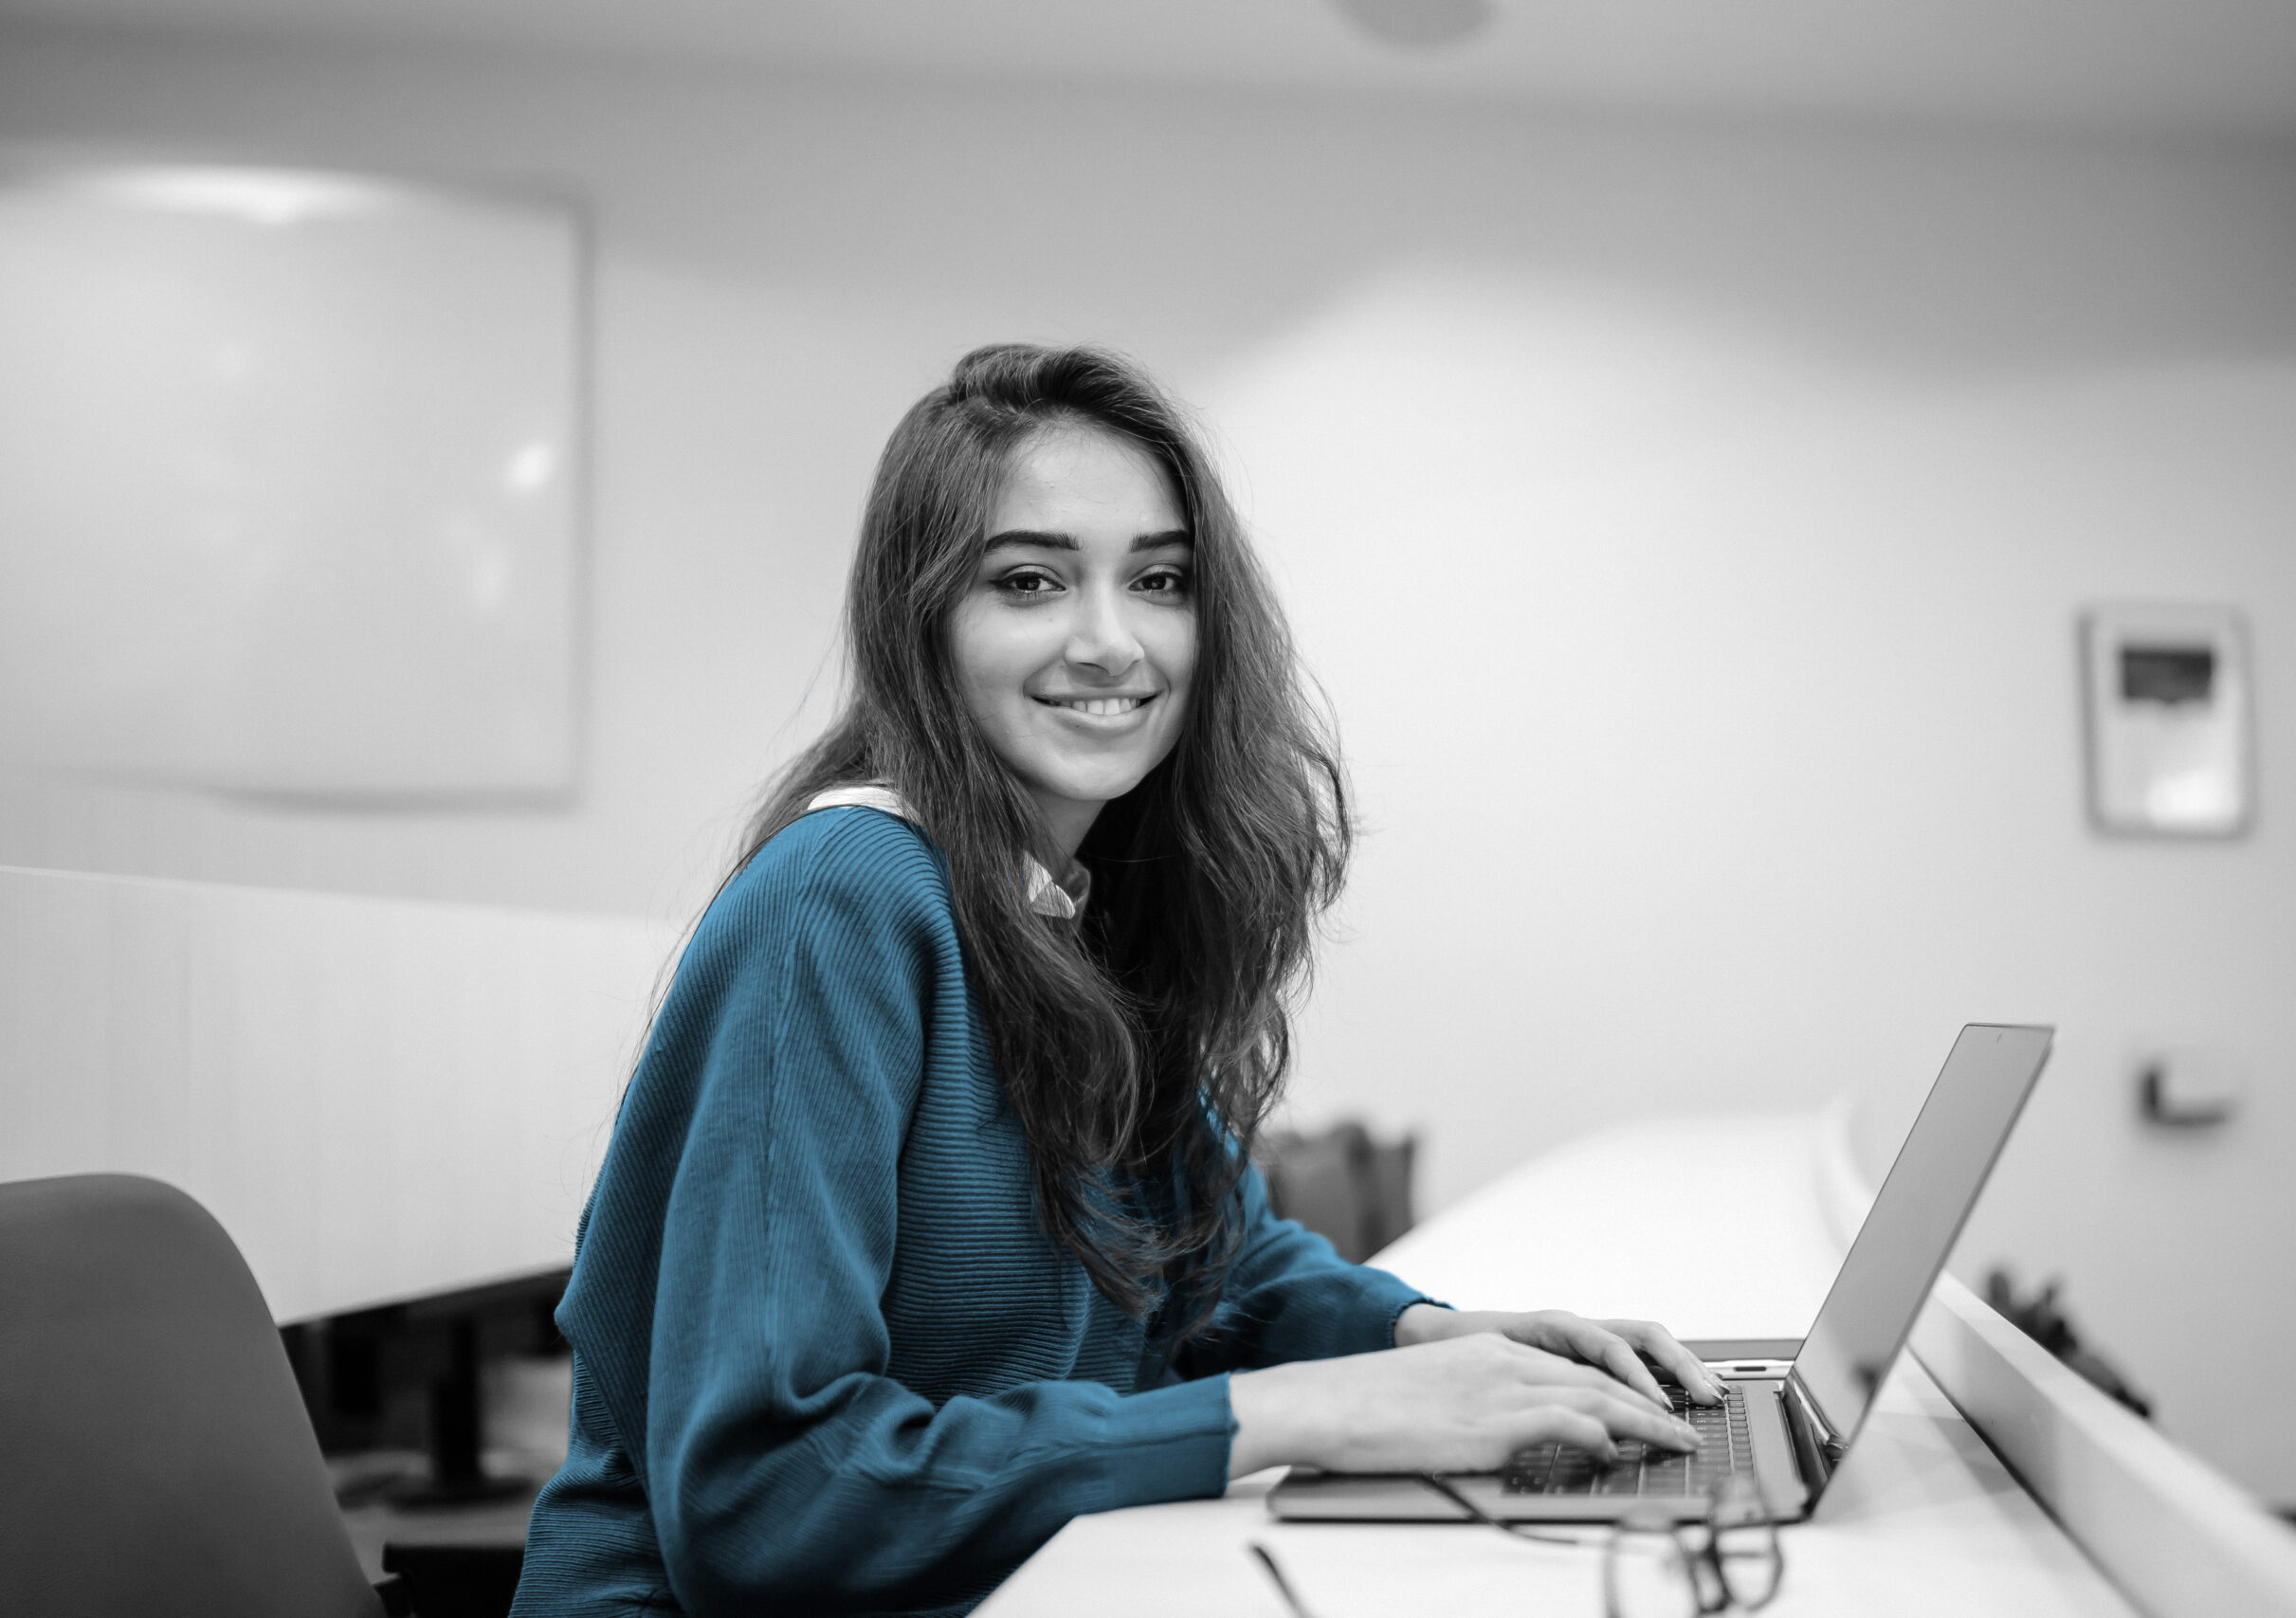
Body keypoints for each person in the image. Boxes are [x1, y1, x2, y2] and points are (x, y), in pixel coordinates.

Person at [510, 344, 1721, 1618]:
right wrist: (1307, 1411)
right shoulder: (845, 900)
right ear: (922, 621)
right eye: (1029, 581)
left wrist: (1433, 1340)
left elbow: (1218, 1262)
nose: (1112, 641)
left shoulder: (1066, 905)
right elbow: (770, 1499)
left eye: (1160, 581)